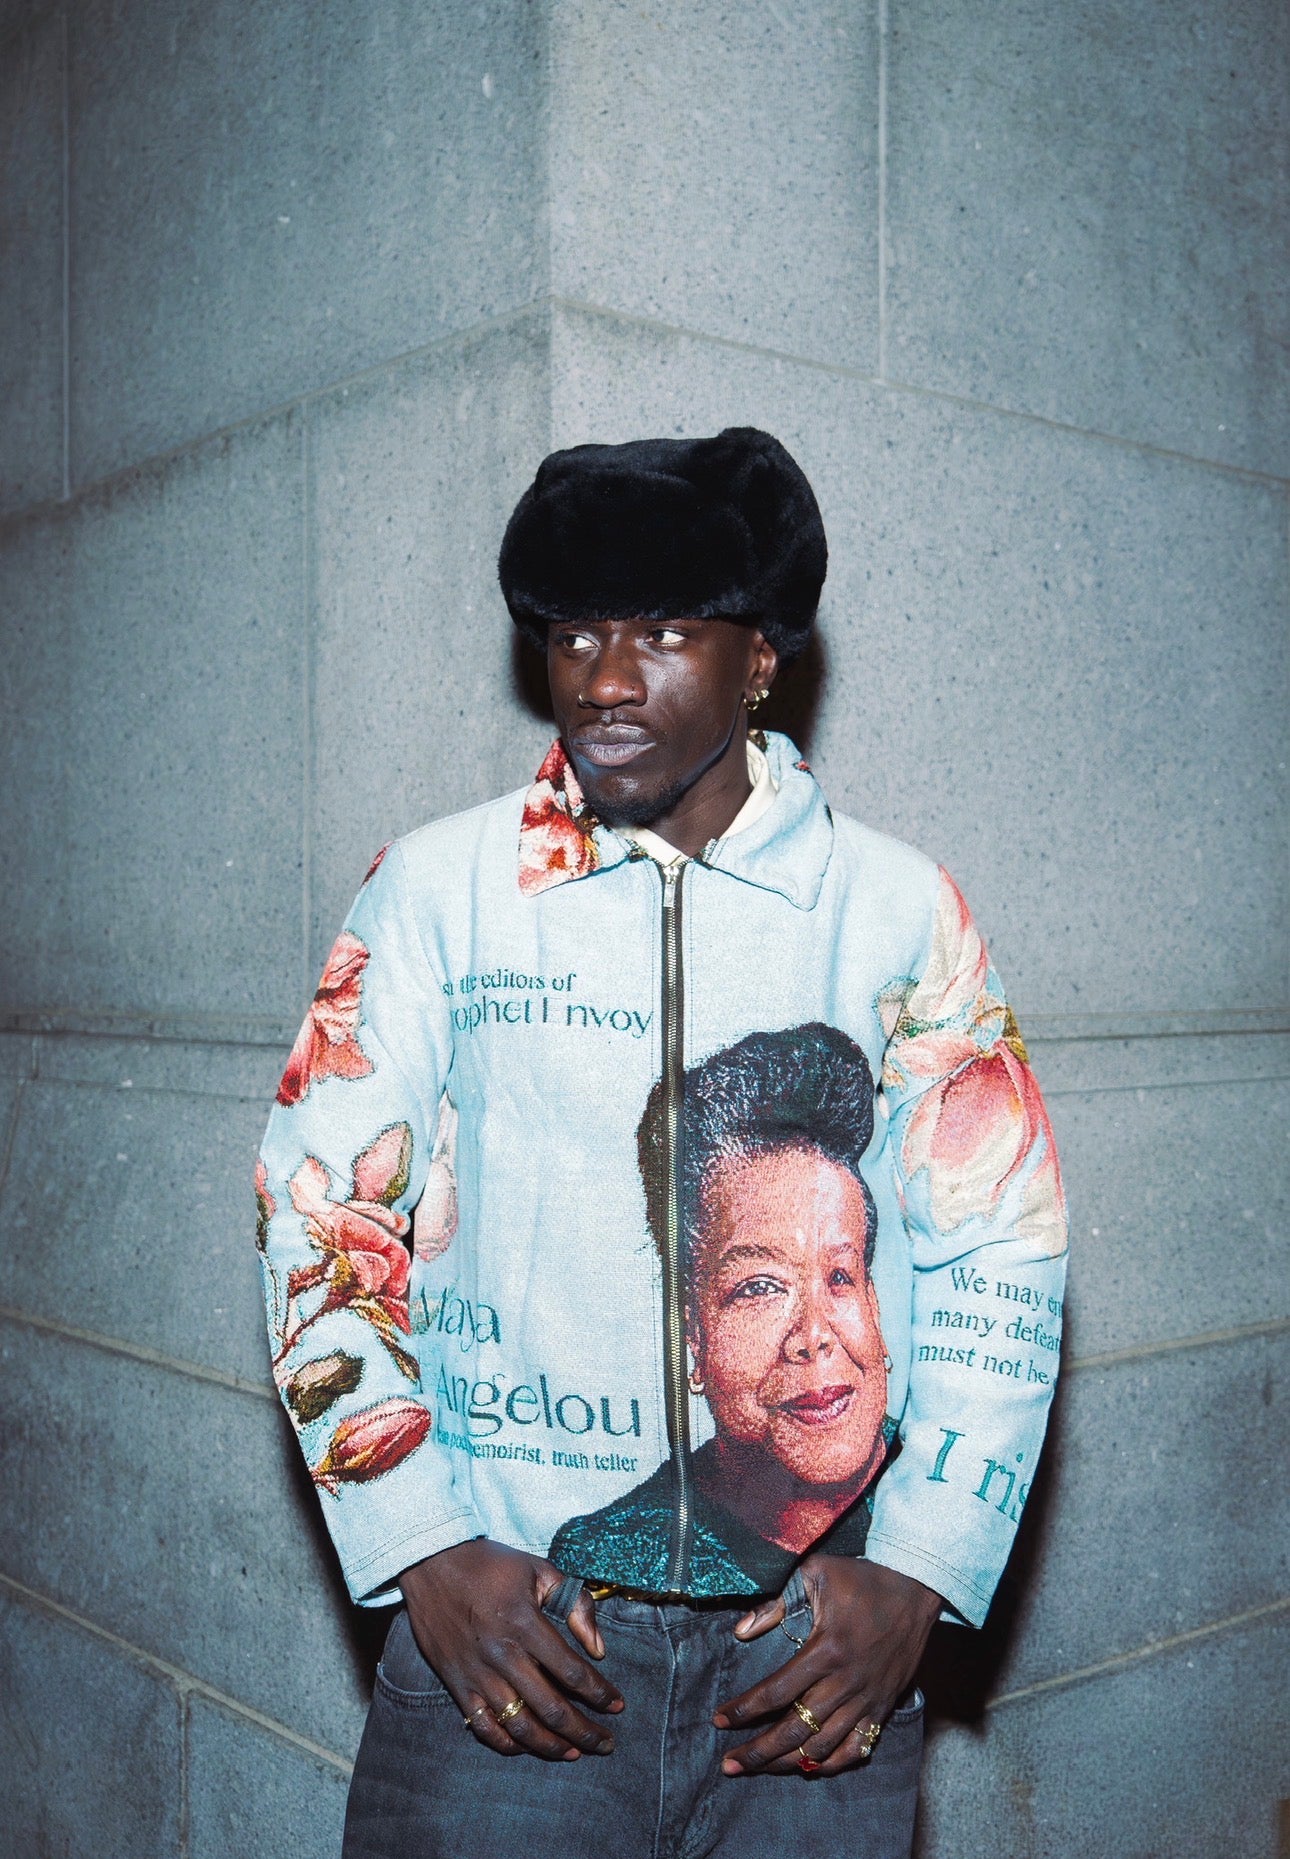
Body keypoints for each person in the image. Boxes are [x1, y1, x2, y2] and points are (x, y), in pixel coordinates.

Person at [255, 428, 1068, 1859]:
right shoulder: (442, 889)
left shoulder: (891, 909)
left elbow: (1000, 1242)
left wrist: (922, 1567)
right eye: (575, 633)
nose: (606, 679)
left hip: (811, 1654)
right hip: (517, 1639)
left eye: (664, 633)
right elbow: (323, 1217)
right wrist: (418, 1541)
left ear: (762, 657)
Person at [551, 1023, 897, 1593]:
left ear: (873, 1304)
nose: (813, 1334)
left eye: (840, 1277)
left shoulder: (935, 1500)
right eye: (760, 1287)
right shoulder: (610, 1556)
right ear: (691, 1331)